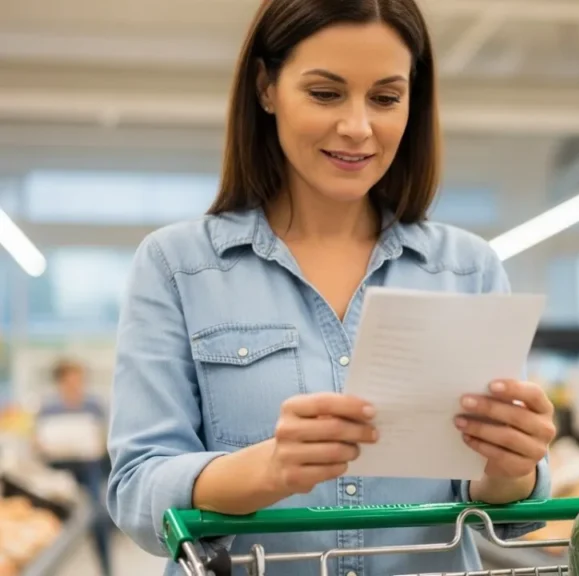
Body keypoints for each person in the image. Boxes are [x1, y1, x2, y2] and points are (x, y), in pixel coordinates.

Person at [104, 1, 555, 575]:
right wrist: (266, 470)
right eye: (325, 93)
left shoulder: (468, 270)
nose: (358, 127)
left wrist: (513, 466)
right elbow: (136, 491)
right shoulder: (178, 266)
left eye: (385, 98)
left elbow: (500, 509)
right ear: (266, 87)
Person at [36, 359, 112, 576]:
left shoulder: (93, 405)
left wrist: (97, 446)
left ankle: (106, 569)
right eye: (70, 379)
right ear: (60, 381)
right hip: (58, 470)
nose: (75, 383)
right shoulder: (49, 408)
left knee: (98, 517)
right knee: (54, 524)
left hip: (88, 467)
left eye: (78, 379)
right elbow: (39, 440)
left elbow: (102, 438)